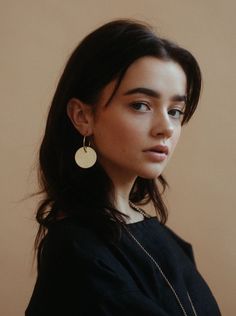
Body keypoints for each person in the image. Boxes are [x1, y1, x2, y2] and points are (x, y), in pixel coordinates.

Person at [25, 19, 221, 316]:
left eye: (175, 111)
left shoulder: (166, 240)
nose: (166, 128)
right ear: (82, 116)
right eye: (141, 105)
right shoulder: (76, 252)